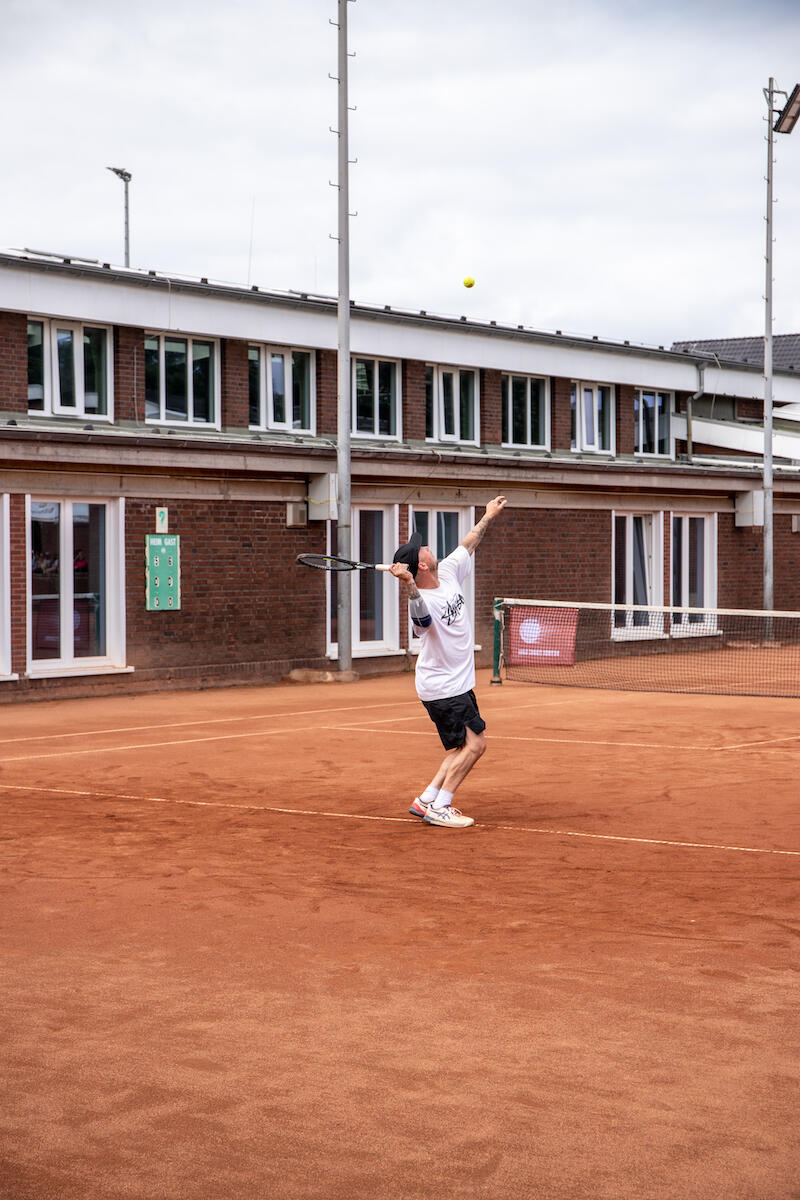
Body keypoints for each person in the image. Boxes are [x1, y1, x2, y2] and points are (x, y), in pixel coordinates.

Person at [390, 495, 507, 829]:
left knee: (461, 745)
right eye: (422, 548)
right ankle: (441, 806)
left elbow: (468, 543)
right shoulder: (422, 599)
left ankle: (426, 799)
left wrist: (488, 516)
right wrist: (411, 586)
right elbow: (423, 624)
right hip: (441, 686)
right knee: (476, 744)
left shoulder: (450, 571)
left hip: (457, 682)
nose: (426, 546)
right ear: (421, 565)